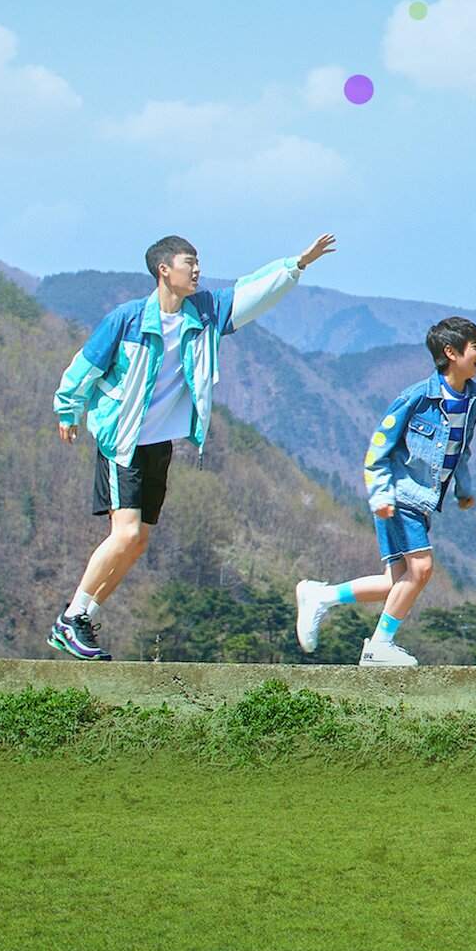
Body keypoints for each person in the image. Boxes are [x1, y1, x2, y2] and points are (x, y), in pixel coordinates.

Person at [49, 232, 337, 660]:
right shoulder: (127, 319)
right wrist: (69, 410)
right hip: (121, 440)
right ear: (164, 270)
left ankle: (84, 617)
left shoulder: (204, 312)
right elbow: (85, 365)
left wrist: (297, 264)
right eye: (190, 262)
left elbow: (251, 293)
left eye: (198, 262)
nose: (198, 269)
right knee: (125, 533)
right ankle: (71, 617)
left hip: (158, 445)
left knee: (138, 542)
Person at [295, 317, 476, 667]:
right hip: (399, 497)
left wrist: (464, 488)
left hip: (422, 502)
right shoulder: (416, 397)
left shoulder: (472, 400)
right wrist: (380, 495)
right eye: (475, 347)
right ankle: (379, 645)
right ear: (451, 353)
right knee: (421, 569)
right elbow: (378, 448)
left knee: (395, 582)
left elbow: (461, 449)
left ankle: (321, 596)